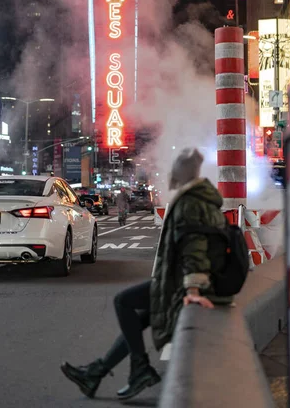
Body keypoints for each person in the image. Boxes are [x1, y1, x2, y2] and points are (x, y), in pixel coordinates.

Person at [60, 148, 233, 401]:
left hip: (180, 285)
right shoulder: (202, 198)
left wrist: (193, 289)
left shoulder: (190, 202)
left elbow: (194, 247)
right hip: (180, 281)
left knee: (123, 302)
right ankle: (97, 373)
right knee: (139, 319)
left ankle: (138, 369)